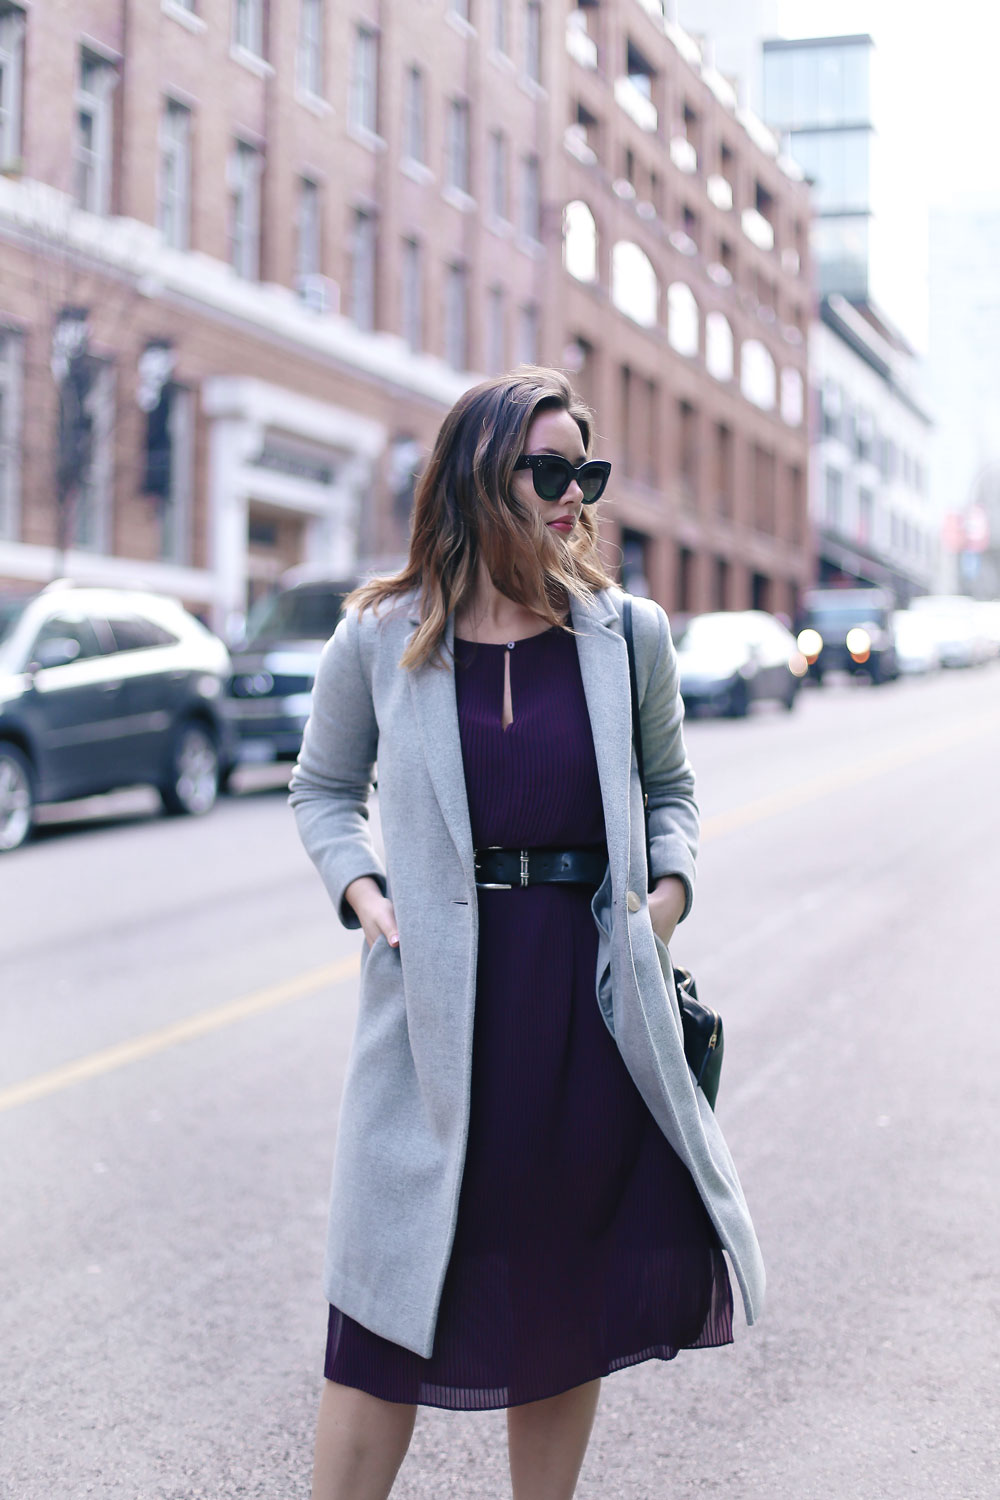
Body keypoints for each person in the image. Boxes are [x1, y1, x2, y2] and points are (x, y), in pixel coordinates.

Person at [289, 367, 764, 1500]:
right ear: (476, 473)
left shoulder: (624, 633)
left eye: (584, 473)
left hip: (584, 1006)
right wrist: (364, 895)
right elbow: (320, 789)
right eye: (547, 470)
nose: (571, 496)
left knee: (561, 1296)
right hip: (437, 1001)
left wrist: (661, 903)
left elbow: (671, 794)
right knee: (384, 1306)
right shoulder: (379, 636)